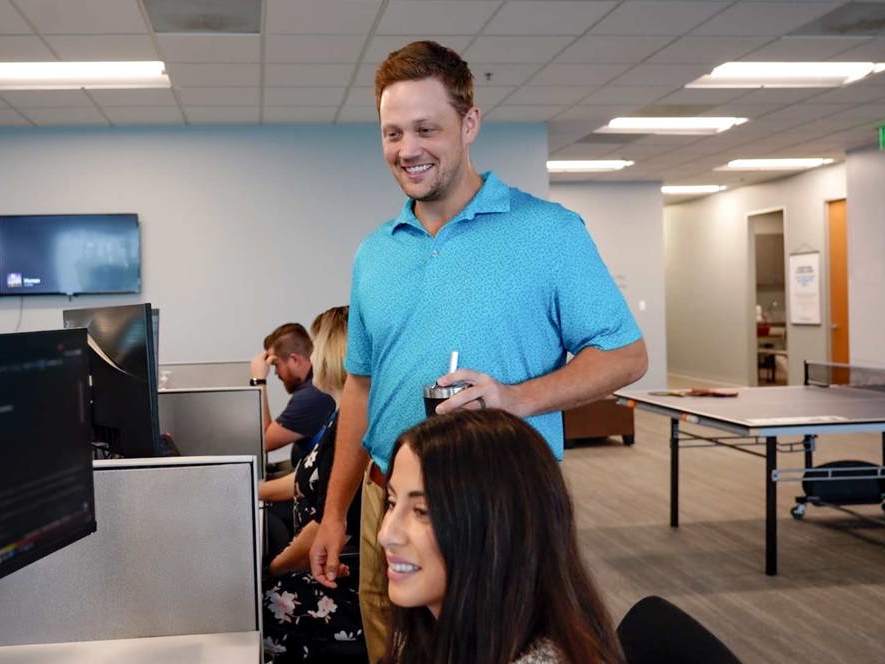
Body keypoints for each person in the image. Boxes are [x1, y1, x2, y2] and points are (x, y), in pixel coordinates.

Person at [309, 40, 648, 662]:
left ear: (469, 124)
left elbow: (626, 355)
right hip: (388, 498)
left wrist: (514, 398)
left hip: (497, 509)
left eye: (425, 128)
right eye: (391, 133)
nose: (407, 149)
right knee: (394, 649)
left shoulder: (548, 232)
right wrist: (334, 513)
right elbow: (359, 388)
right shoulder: (375, 253)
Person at [378, 409, 623, 664]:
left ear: (497, 530)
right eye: (392, 503)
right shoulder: (431, 628)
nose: (386, 534)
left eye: (422, 511)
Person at [258, 306, 366, 663]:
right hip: (318, 558)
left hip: (335, 572)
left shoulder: (350, 430)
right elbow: (304, 478)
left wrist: (270, 570)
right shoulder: (339, 417)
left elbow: (325, 523)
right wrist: (247, 491)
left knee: (258, 604)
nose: (310, 356)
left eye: (316, 346)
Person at [252, 322, 336, 467]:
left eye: (276, 364)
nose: (276, 373)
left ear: (294, 360)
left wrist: (259, 381)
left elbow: (262, 442)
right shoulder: (314, 386)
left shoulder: (312, 396)